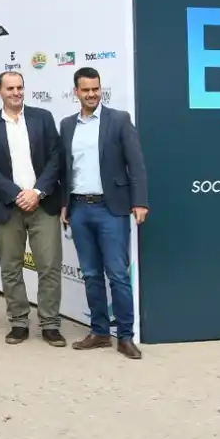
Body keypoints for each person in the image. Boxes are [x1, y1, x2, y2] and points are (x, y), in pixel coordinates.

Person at [59, 67, 148, 360]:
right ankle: (98, 331)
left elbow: (136, 165)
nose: (91, 94)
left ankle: (125, 336)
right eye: (85, 90)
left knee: (118, 275)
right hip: (80, 209)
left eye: (95, 89)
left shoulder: (119, 121)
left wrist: (140, 202)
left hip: (112, 210)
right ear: (76, 93)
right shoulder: (68, 125)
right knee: (92, 274)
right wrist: (64, 205)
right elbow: (66, 170)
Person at [0, 71, 65, 346]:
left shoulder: (43, 118)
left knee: (49, 266)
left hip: (43, 204)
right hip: (7, 207)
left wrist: (37, 192)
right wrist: (17, 195)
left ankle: (50, 323)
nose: (16, 93)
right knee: (10, 267)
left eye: (19, 87)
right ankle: (18, 321)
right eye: (10, 88)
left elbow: (55, 158)